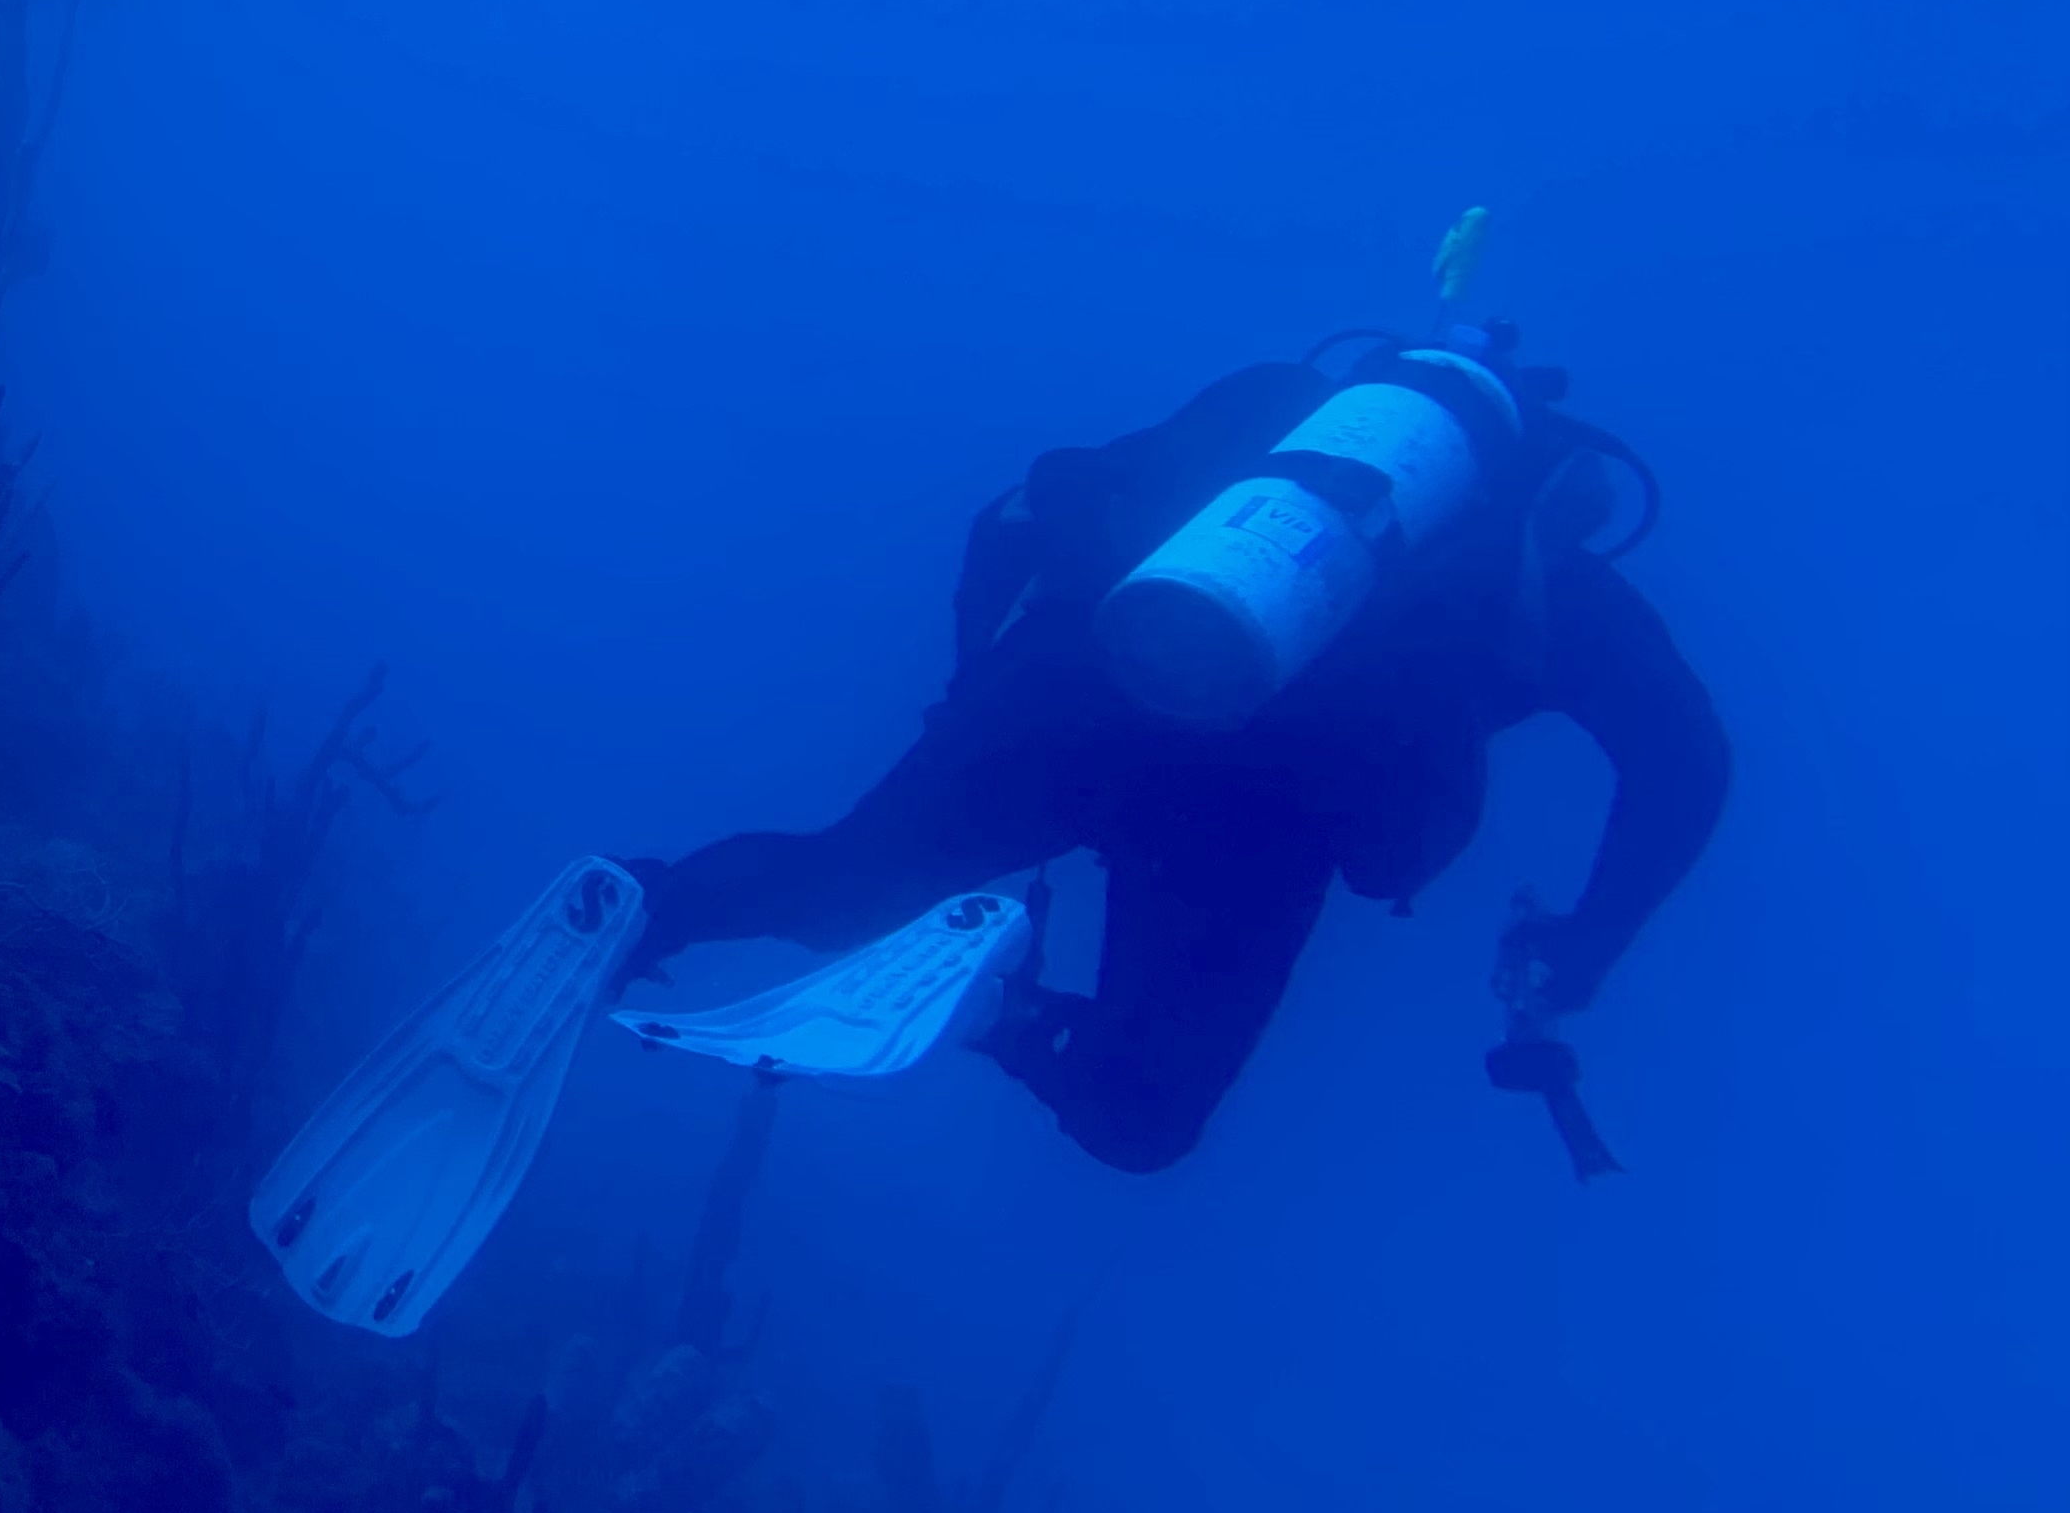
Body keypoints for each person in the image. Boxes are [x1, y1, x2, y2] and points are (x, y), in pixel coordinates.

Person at [624, 340, 1732, 1173]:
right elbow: (1690, 762)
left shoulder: (1263, 432)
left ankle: (639, 905)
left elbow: (1024, 508)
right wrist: (1589, 940)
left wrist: (970, 696)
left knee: (833, 889)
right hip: (1263, 817)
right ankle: (1006, 1003)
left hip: (1085, 690)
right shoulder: (1552, 577)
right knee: (1141, 1121)